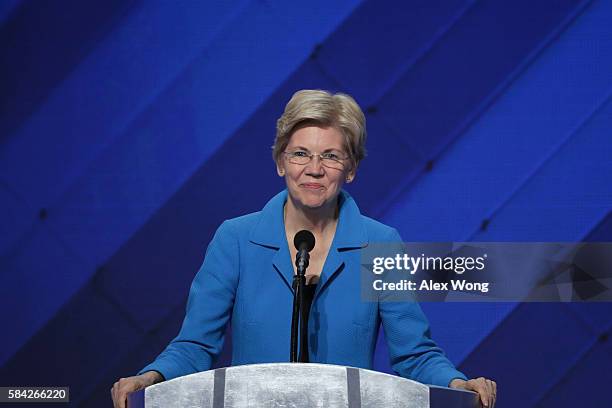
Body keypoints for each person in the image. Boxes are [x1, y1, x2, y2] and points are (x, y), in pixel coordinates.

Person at [111, 90, 497, 407]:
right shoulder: (236, 239)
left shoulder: (380, 244)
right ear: (281, 162)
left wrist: (458, 384)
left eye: (331, 156)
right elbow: (195, 345)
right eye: (300, 153)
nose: (314, 168)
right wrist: (151, 377)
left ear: (351, 168)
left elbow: (413, 354)